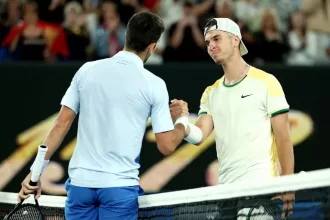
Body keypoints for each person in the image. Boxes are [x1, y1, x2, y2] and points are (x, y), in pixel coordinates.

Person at [17, 12, 189, 220]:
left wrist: (34, 175)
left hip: (81, 186)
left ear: (127, 36)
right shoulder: (154, 84)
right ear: (152, 47)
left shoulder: (87, 70)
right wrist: (182, 120)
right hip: (118, 189)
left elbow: (61, 124)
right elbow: (167, 145)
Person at [170, 18, 295, 219]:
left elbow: (284, 138)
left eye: (216, 39)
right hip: (226, 193)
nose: (211, 46)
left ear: (235, 40)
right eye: (208, 42)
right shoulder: (211, 93)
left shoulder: (266, 82)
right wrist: (182, 121)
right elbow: (199, 135)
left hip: (259, 189)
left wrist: (288, 185)